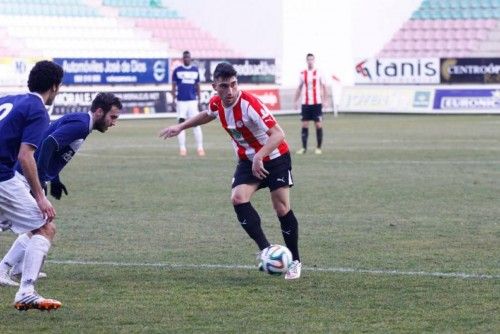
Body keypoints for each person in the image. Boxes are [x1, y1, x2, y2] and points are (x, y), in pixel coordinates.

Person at [160, 63, 302, 280]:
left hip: (274, 157)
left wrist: (259, 156)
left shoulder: (250, 104)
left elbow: (278, 134)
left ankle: (295, 261)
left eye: (233, 85)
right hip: (248, 160)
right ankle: (266, 250)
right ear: (215, 86)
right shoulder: (217, 102)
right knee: (238, 198)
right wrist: (181, 127)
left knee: (281, 209)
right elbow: (208, 114)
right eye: (224, 86)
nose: (230, 91)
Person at [0, 93, 122, 292]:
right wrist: (45, 178)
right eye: (113, 117)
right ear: (99, 111)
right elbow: (49, 143)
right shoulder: (81, 125)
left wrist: (52, 178)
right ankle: (5, 269)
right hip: (24, 178)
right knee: (41, 225)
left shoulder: (83, 122)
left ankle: (20, 268)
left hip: (29, 176)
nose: (114, 122)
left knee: (38, 225)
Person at [0, 60, 63, 311]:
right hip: (2, 176)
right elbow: (25, 156)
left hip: (6, 175)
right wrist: (40, 196)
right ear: (55, 87)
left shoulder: (9, 99)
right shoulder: (38, 110)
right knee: (45, 228)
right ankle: (26, 291)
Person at [171, 50, 205, 156]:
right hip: (181, 102)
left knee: (196, 124)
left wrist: (199, 100)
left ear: (190, 58)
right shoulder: (177, 70)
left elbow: (198, 86)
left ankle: (200, 148)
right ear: (183, 59)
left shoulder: (195, 70)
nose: (186, 59)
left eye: (188, 57)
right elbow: (173, 87)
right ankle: (182, 149)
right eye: (185, 57)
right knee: (181, 124)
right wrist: (173, 100)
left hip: (192, 102)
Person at [293, 53, 328, 155]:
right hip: (305, 103)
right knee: (304, 125)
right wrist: (295, 101)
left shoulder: (319, 72)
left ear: (314, 60)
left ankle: (318, 148)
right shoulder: (302, 73)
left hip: (317, 103)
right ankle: (304, 148)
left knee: (318, 125)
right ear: (306, 61)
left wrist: (325, 100)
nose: (310, 61)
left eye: (312, 59)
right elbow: (299, 88)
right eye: (308, 59)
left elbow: (324, 87)